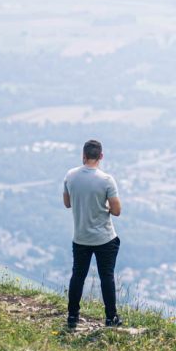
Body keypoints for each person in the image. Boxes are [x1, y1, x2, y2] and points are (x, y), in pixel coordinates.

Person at [63, 139, 122, 330]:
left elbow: (67, 203)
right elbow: (117, 211)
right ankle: (111, 318)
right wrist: (102, 205)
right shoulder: (106, 180)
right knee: (107, 277)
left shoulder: (70, 176)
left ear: (83, 156)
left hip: (81, 237)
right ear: (101, 156)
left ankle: (72, 316)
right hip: (104, 237)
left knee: (78, 276)